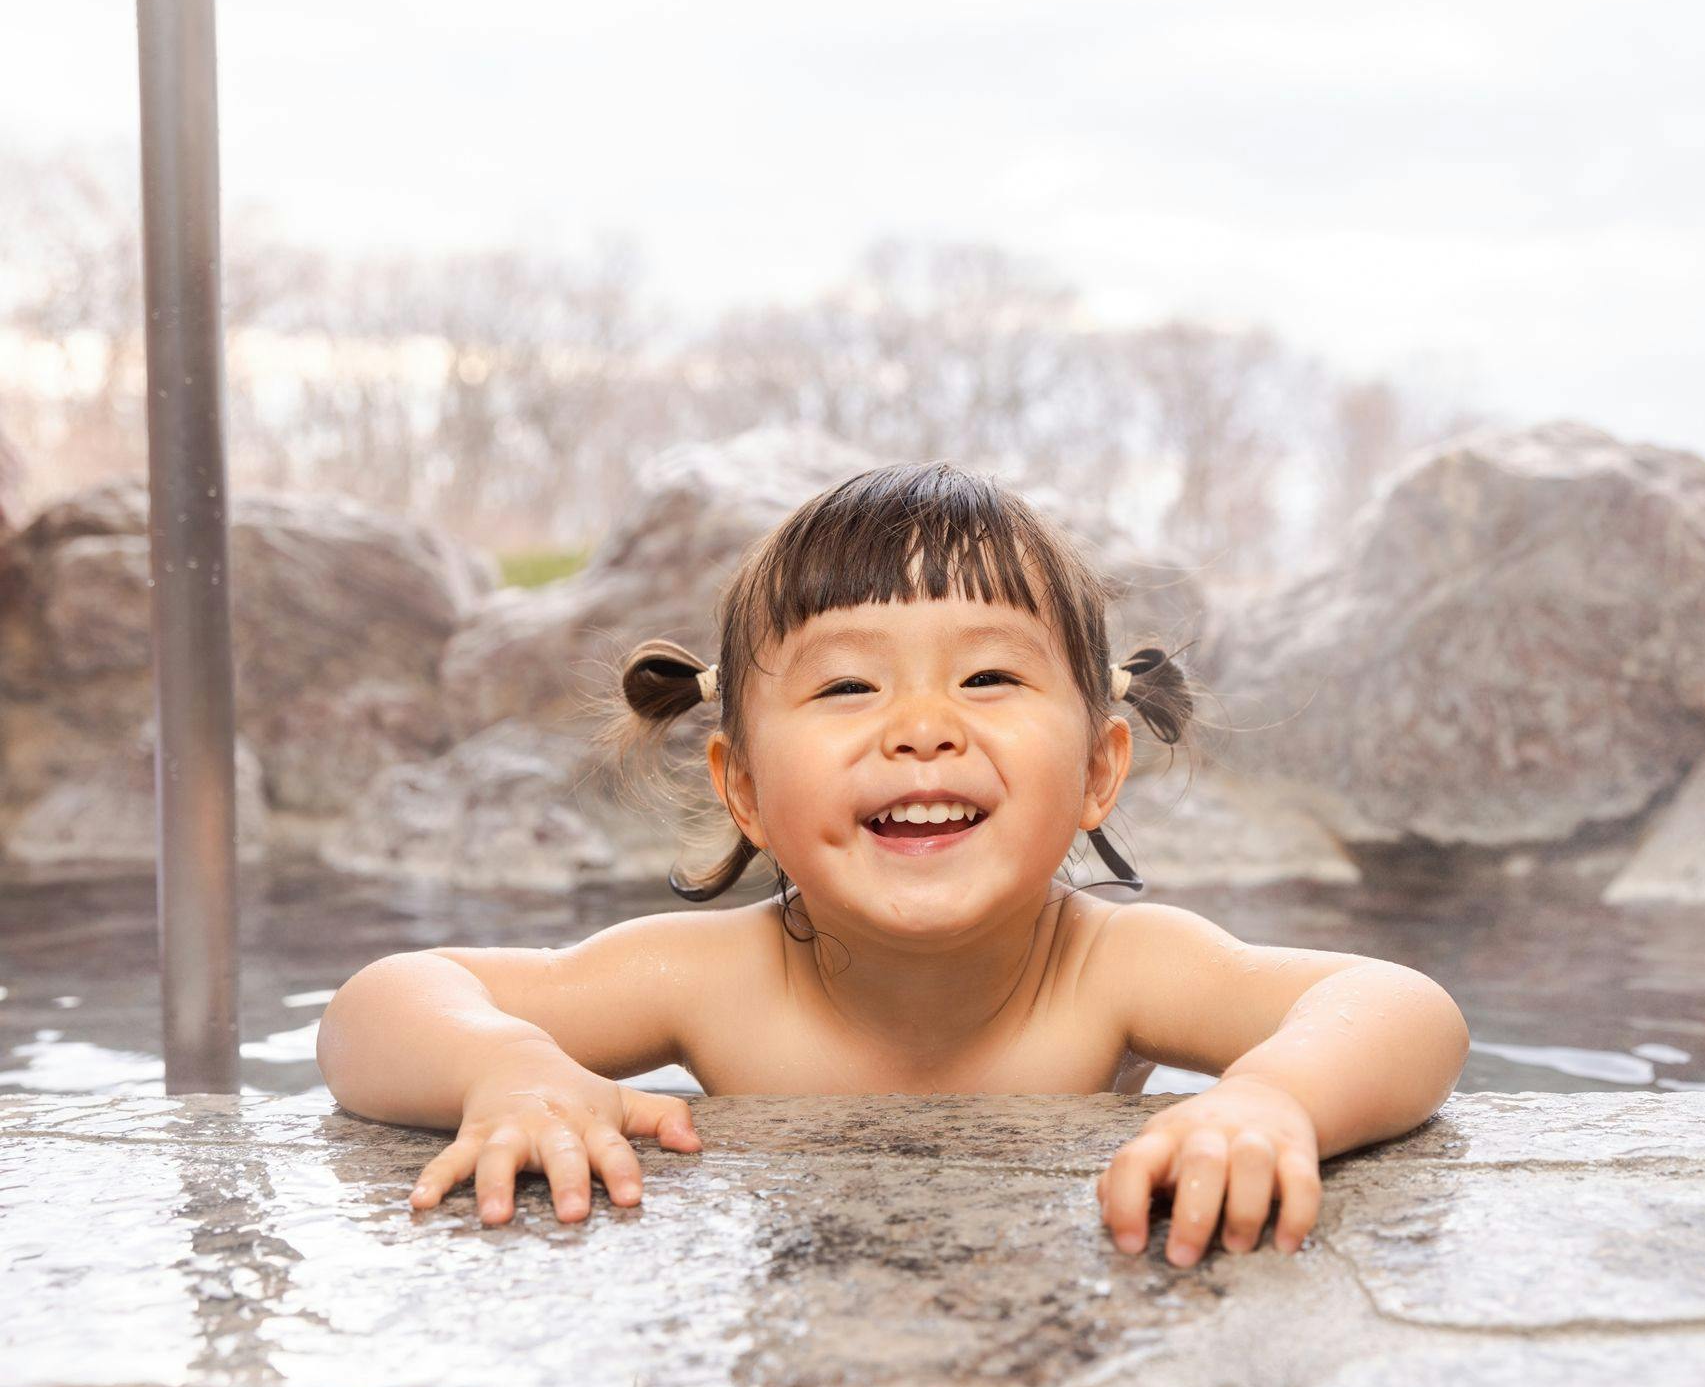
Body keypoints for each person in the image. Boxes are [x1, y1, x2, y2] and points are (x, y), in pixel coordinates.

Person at [317, 461, 1469, 1267]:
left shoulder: (1115, 970)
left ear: (1098, 772)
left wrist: (1273, 1100)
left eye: (989, 679)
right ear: (746, 788)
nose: (922, 728)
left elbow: (1398, 1007)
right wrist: (508, 1069)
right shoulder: (711, 979)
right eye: (848, 686)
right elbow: (378, 1008)